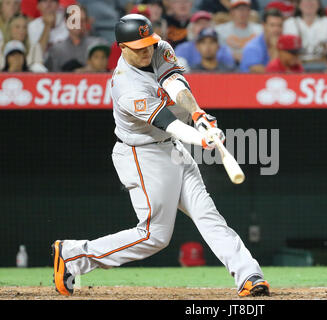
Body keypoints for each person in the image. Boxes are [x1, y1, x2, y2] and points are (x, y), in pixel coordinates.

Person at [51, 13, 270, 298]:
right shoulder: (126, 86)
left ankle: (249, 275)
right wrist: (201, 136)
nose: (146, 51)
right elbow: (171, 123)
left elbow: (176, 83)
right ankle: (73, 255)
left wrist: (198, 114)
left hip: (172, 149)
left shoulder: (159, 48)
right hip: (142, 156)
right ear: (122, 48)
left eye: (148, 43)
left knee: (208, 215)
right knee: (153, 237)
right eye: (138, 47)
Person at [45, 5, 105, 72]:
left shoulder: (98, 44)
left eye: (82, 20)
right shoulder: (56, 50)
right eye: (74, 20)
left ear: (87, 21)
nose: (78, 24)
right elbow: (50, 78)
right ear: (66, 21)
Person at [239, 8, 284, 72]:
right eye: (272, 25)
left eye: (280, 26)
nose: (276, 29)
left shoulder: (285, 46)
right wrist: (275, 48)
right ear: (264, 25)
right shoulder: (252, 47)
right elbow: (268, 74)